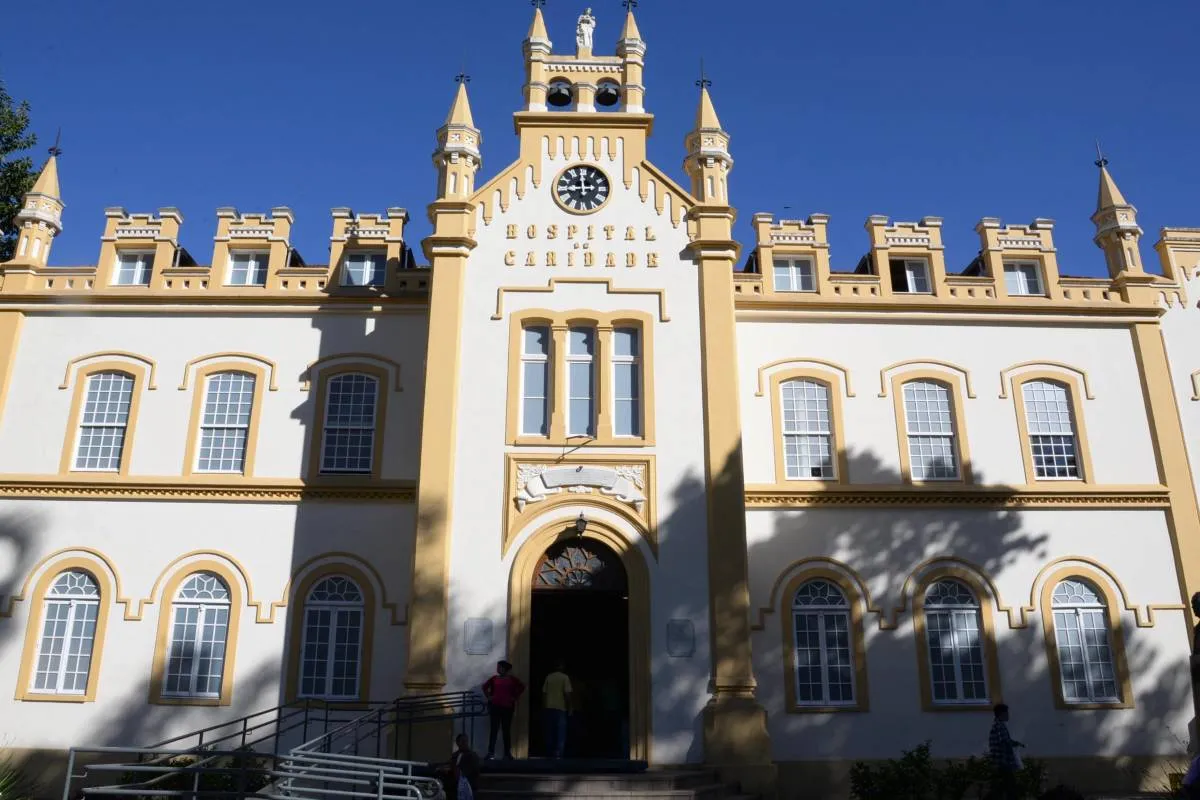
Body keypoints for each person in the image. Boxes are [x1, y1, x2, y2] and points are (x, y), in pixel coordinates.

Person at [482, 659, 524, 760]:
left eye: (499, 667)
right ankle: (491, 753)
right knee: (494, 730)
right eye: (498, 667)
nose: (498, 669)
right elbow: (484, 687)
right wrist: (489, 697)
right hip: (495, 707)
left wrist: (515, 697)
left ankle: (507, 753)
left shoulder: (512, 679)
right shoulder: (494, 679)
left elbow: (522, 687)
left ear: (505, 669)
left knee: (506, 731)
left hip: (508, 708)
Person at [988, 703, 1024, 799]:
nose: (1008, 715)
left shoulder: (997, 725)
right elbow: (1004, 741)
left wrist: (1015, 743)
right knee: (1010, 786)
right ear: (1002, 714)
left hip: (1001, 761)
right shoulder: (999, 726)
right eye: (1007, 713)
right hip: (1003, 761)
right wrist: (1014, 744)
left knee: (1004, 786)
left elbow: (1005, 740)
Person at [542, 660, 573, 759]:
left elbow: (544, 693)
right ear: (562, 667)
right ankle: (559, 754)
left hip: (549, 707)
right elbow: (567, 693)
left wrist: (544, 706)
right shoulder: (565, 677)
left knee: (549, 732)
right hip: (561, 708)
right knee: (560, 733)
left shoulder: (549, 677)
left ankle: (549, 753)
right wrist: (570, 707)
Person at [441, 734, 479, 800]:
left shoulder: (472, 756)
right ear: (457, 743)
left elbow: (467, 773)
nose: (465, 743)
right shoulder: (455, 755)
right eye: (462, 741)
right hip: (453, 786)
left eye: (465, 741)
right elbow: (449, 764)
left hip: (467, 786)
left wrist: (452, 769)